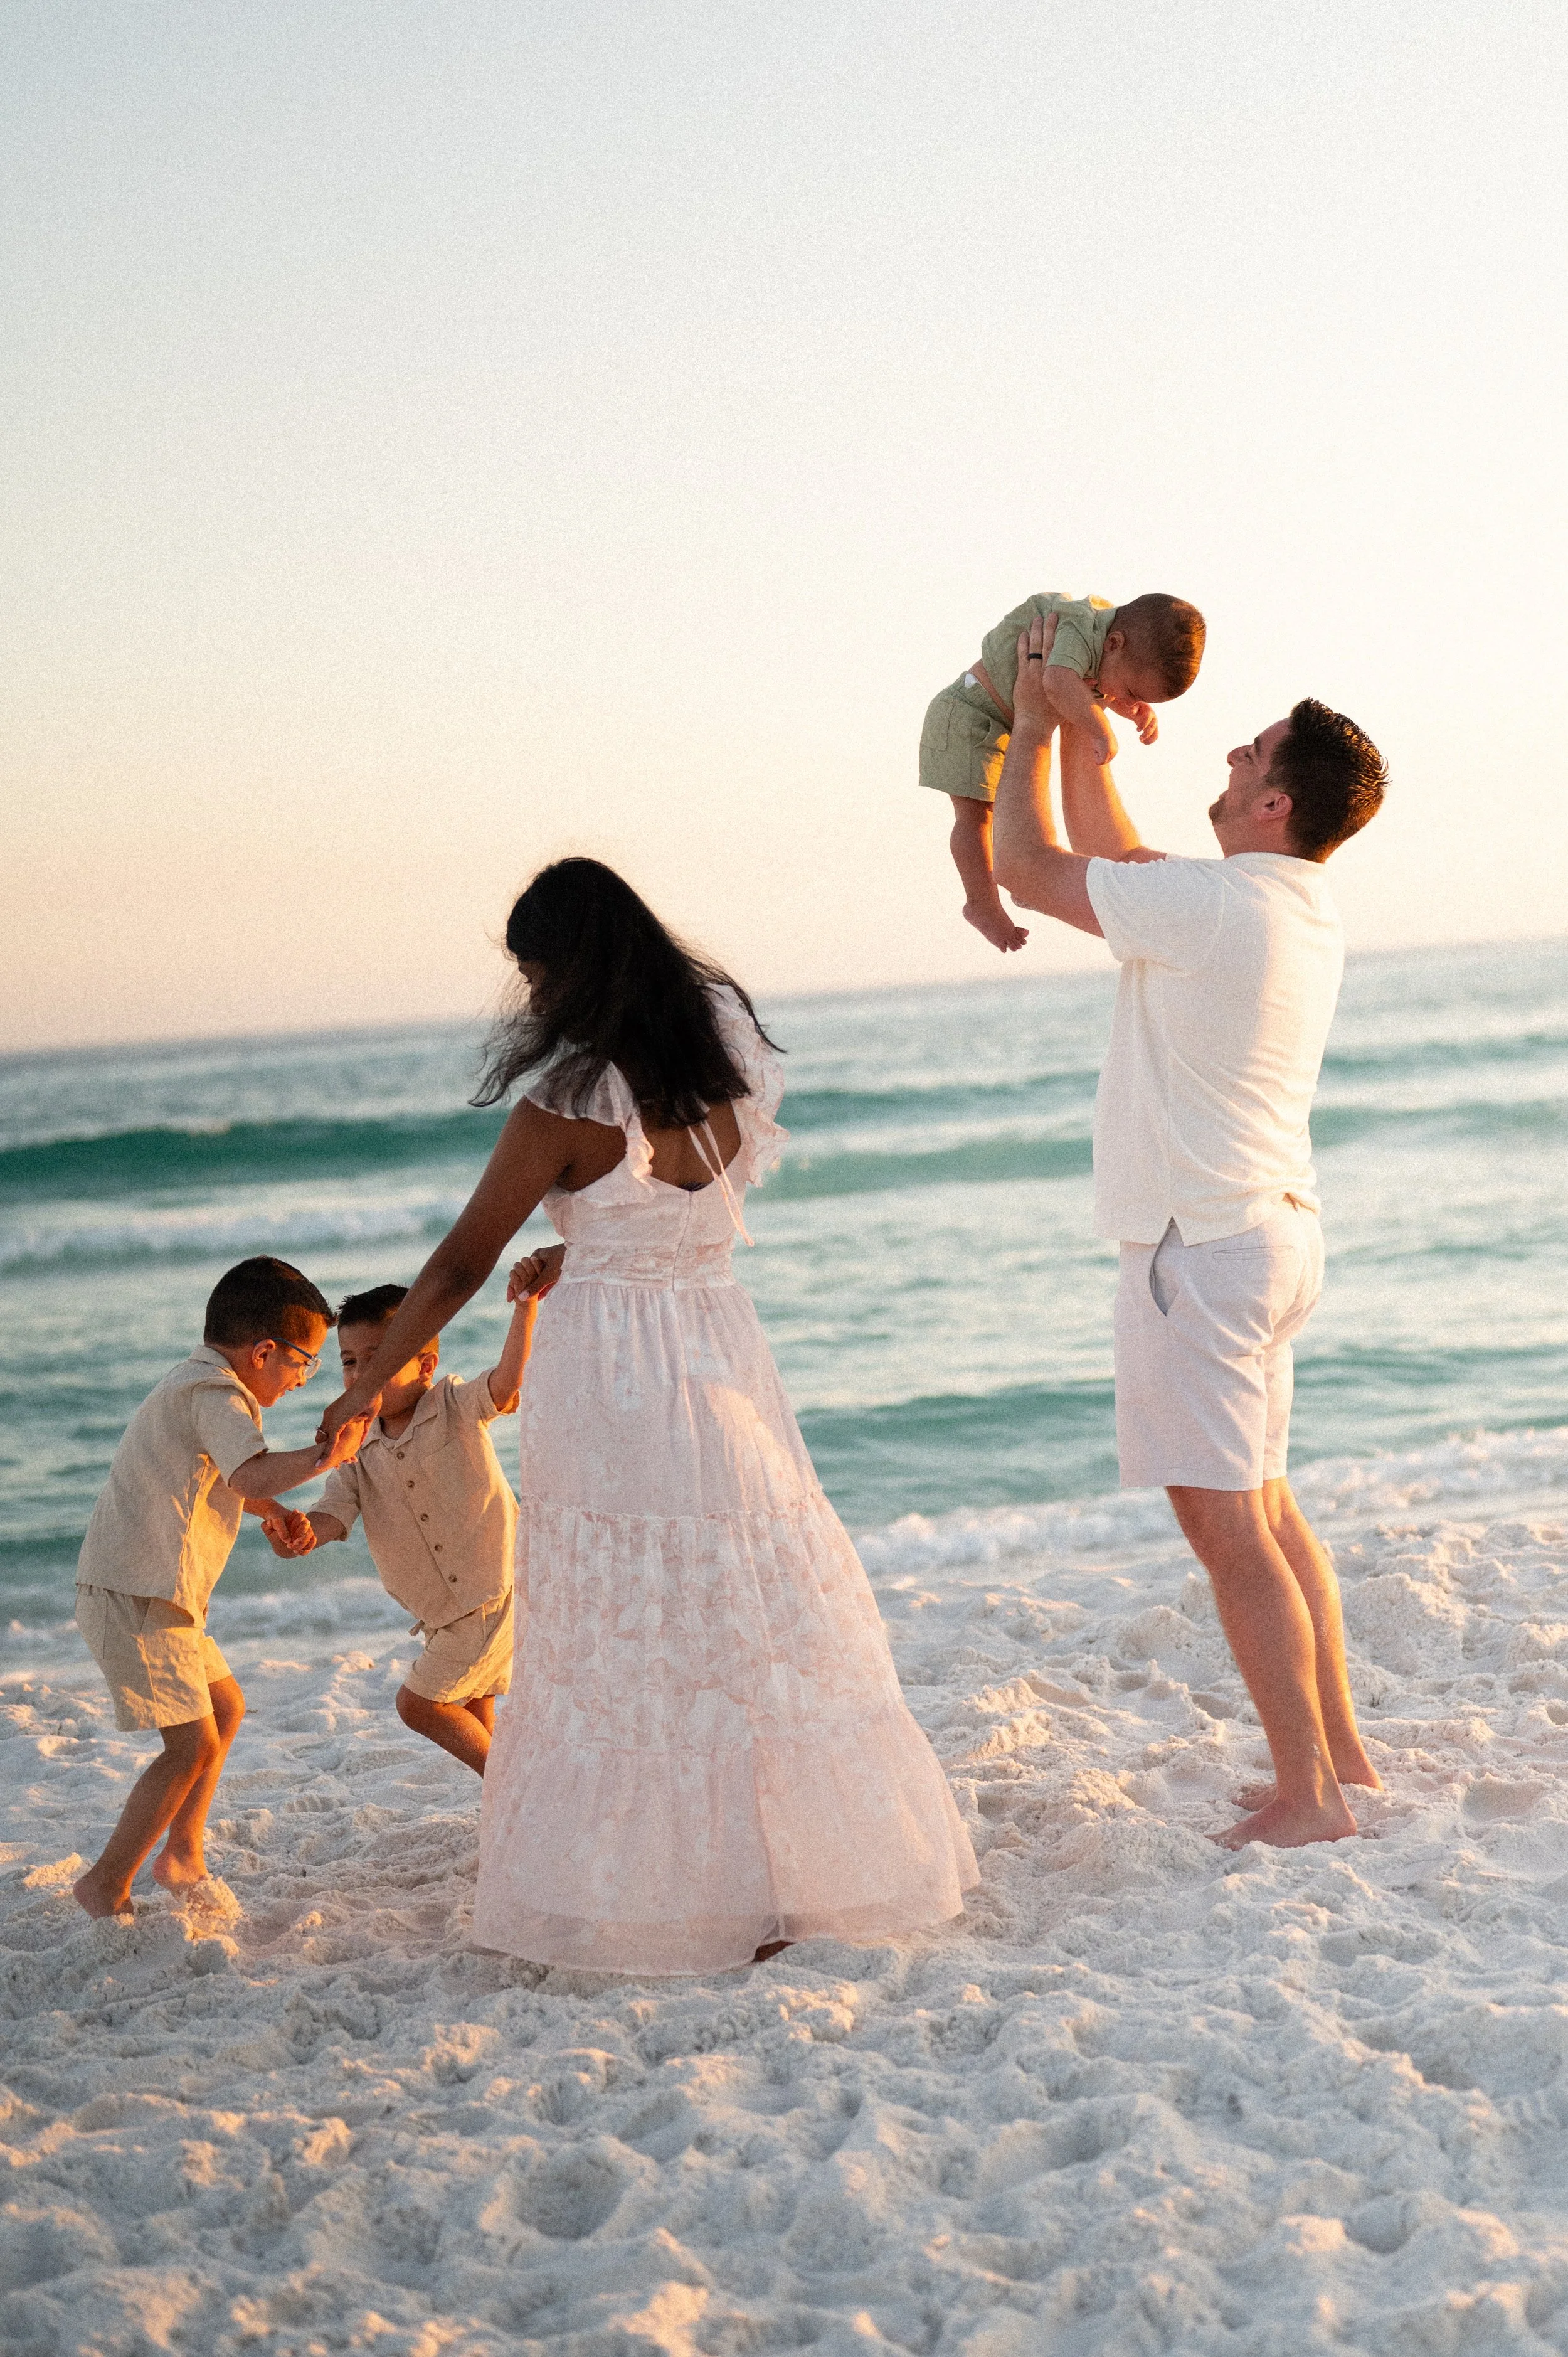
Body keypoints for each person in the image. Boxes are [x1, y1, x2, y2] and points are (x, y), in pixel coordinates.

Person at [315, 858, 978, 1972]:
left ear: (573, 970)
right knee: (743, 1605)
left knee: (624, 1620)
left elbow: (460, 1261)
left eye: (535, 971)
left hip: (613, 1385)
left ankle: (675, 1891)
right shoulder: (727, 1067)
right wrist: (589, 1249)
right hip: (719, 1352)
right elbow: (664, 1228)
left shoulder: (569, 1103)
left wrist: (362, 1386)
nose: (529, 996)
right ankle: (786, 1883)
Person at [993, 610, 1389, 1849]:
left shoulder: (1218, 907)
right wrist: (1080, 736)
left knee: (1228, 1530)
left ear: (1274, 805)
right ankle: (1341, 1761)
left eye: (1246, 756)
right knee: (1265, 1513)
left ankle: (1309, 1797)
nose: (1227, 760)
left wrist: (1022, 722)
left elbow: (1030, 870)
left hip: (1204, 1255)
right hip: (1266, 1237)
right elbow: (1123, 870)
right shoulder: (1285, 901)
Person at [72, 1257, 370, 1918]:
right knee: (192, 1745)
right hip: (141, 1598)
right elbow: (251, 1472)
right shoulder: (219, 1395)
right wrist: (329, 1457)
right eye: (304, 1363)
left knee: (225, 1709)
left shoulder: (195, 1384)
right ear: (264, 1350)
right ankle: (107, 1883)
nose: (301, 1380)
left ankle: (182, 1850)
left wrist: (273, 1510)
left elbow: (222, 1479)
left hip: (152, 1595)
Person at [293, 1282, 538, 1776]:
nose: (362, 1375)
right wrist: (302, 1533)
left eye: (378, 1360)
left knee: (419, 1705)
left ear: (424, 1365)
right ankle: (511, 1821)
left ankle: (520, 1799)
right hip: (442, 1612)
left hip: (490, 1593)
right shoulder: (355, 1444)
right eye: (349, 1362)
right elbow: (335, 1512)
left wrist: (526, 1307)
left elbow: (507, 1383)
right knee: (474, 1717)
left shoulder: (453, 1404)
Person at [919, 588, 1205, 953]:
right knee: (975, 818)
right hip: (968, 716)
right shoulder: (1080, 627)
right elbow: (1056, 680)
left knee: (993, 816)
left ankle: (1024, 886)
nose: (1132, 701)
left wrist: (1129, 708)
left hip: (1000, 723)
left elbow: (1093, 685)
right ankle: (980, 901)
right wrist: (1097, 726)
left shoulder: (1109, 647)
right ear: (1115, 643)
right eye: (1134, 691)